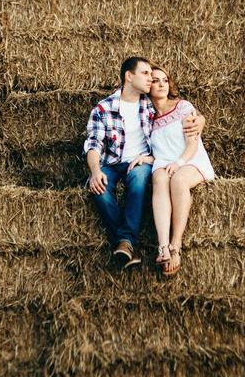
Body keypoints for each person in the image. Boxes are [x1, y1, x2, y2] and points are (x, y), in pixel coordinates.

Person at [84, 56, 204, 271]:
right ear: (129, 77)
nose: (152, 80)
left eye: (155, 76)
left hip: (140, 162)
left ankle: (128, 243)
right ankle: (127, 243)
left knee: (139, 179)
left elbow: (178, 111)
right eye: (146, 74)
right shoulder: (103, 108)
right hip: (111, 163)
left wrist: (200, 119)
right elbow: (93, 144)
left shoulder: (150, 105)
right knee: (99, 189)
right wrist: (95, 171)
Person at [147, 65, 216, 276]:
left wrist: (179, 162)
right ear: (147, 86)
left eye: (165, 80)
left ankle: (176, 244)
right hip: (163, 161)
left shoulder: (183, 107)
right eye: (156, 80)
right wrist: (144, 157)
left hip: (189, 158)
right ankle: (163, 246)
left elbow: (192, 144)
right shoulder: (146, 116)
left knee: (178, 181)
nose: (161, 84)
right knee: (159, 179)